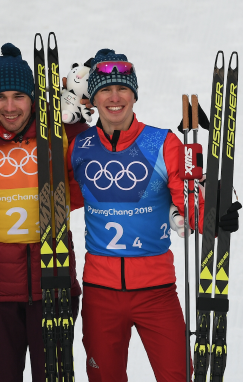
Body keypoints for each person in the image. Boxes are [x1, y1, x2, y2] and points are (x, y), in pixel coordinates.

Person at [67, 48, 239, 381]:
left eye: (123, 89)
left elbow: (188, 202)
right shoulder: (79, 146)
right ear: (95, 96)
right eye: (105, 89)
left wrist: (215, 218)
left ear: (134, 95)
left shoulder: (163, 143)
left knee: (176, 375)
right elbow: (62, 197)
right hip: (100, 291)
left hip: (156, 290)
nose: (114, 97)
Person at [0, 43, 86, 382]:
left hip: (53, 277)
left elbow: (96, 175)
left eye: (20, 96)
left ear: (34, 98)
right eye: (1, 97)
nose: (10, 107)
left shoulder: (62, 131)